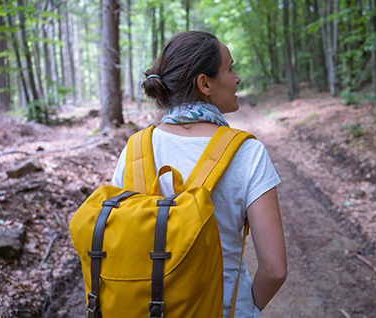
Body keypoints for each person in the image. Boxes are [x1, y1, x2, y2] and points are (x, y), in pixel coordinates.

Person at [111, 31, 286, 318]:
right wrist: (245, 307)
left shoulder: (136, 149)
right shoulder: (248, 152)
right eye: (230, 69)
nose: (237, 78)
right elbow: (274, 269)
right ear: (204, 84)